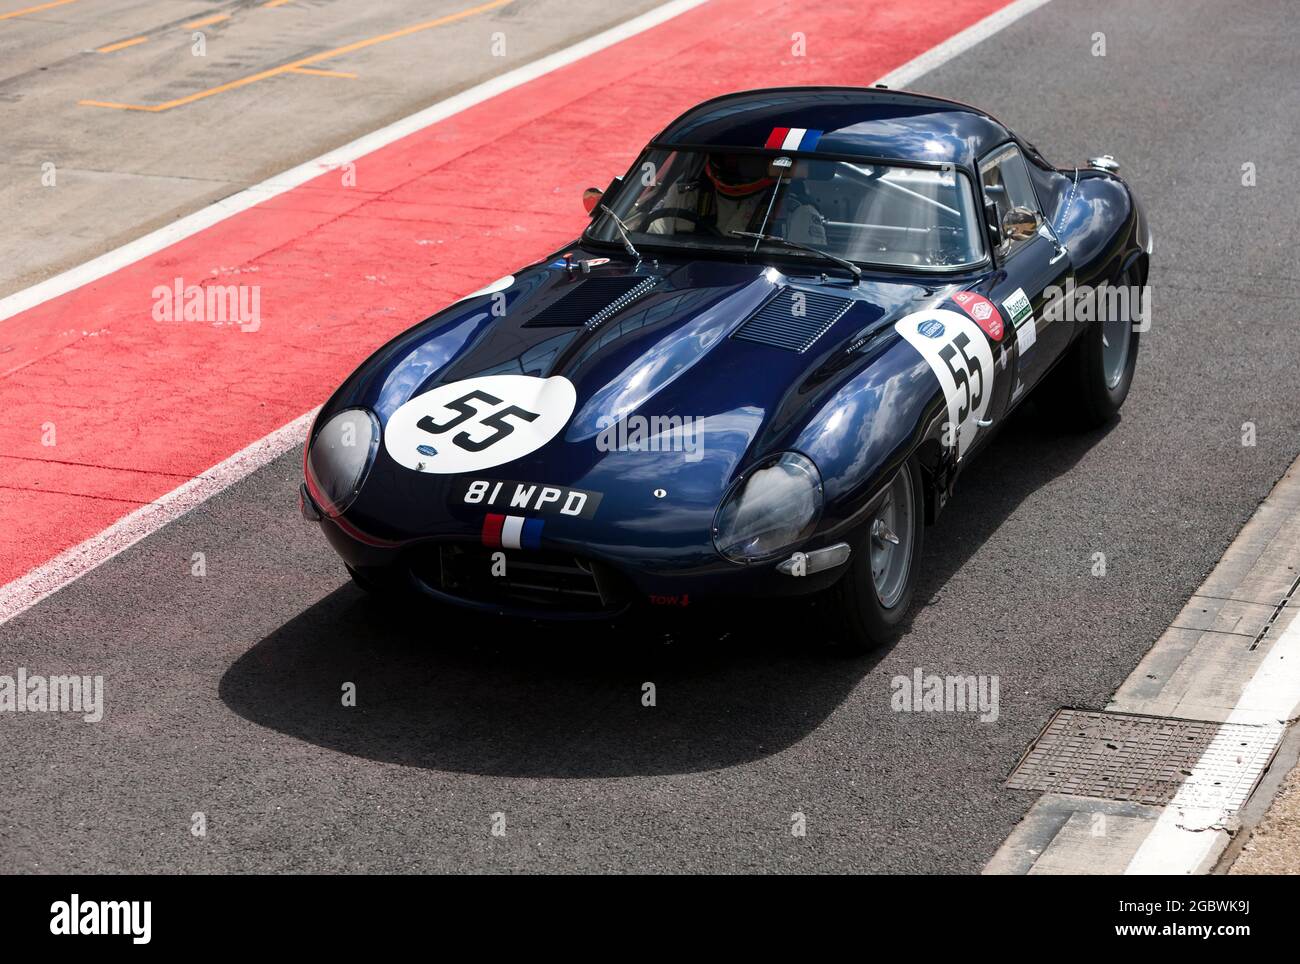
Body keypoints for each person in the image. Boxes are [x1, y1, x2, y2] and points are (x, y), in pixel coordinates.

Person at [645, 153, 826, 246]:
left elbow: (808, 278)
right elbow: (649, 246)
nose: (733, 166)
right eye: (727, 160)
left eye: (744, 162)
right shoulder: (683, 195)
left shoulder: (797, 211)